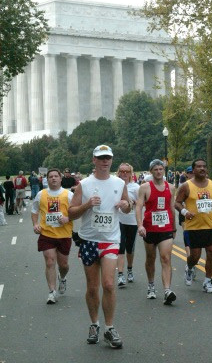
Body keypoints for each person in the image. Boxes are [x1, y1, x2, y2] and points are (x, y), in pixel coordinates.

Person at [68, 145, 131, 349]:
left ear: (111, 160)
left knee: (109, 284)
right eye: (101, 158)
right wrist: (87, 205)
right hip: (88, 241)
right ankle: (94, 324)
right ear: (94, 160)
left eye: (108, 158)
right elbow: (71, 213)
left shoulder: (119, 183)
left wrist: (125, 205)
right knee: (93, 287)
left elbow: (128, 204)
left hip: (111, 240)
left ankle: (109, 328)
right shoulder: (84, 185)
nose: (105, 161)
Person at [175, 159, 212, 293]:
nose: (202, 168)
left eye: (204, 166)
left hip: (211, 225)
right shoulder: (186, 186)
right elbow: (177, 203)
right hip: (194, 227)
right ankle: (189, 267)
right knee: (195, 256)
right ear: (193, 170)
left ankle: (207, 281)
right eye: (199, 167)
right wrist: (185, 211)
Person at [136, 159, 177, 305]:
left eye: (161, 169)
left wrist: (174, 227)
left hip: (165, 228)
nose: (159, 172)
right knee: (150, 259)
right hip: (149, 228)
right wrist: (140, 225)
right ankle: (151, 285)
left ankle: (167, 290)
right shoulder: (145, 187)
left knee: (166, 258)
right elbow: (139, 207)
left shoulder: (171, 187)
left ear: (164, 171)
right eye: (156, 169)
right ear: (151, 171)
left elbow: (171, 208)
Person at [31, 168, 73, 304]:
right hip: (46, 234)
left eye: (56, 176)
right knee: (50, 262)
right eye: (51, 177)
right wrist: (35, 224)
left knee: (64, 265)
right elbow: (34, 210)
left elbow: (76, 212)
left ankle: (63, 277)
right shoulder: (41, 194)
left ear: (60, 179)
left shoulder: (68, 195)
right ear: (46, 179)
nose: (53, 178)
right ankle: (52, 292)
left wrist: (67, 218)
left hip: (64, 234)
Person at [116, 163, 140, 288]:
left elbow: (143, 203)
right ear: (118, 172)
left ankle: (129, 269)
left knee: (130, 248)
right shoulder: (115, 185)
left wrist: (134, 202)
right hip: (118, 220)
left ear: (131, 173)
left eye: (127, 172)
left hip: (132, 221)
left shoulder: (135, 187)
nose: (124, 174)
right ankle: (120, 274)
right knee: (121, 246)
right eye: (122, 171)